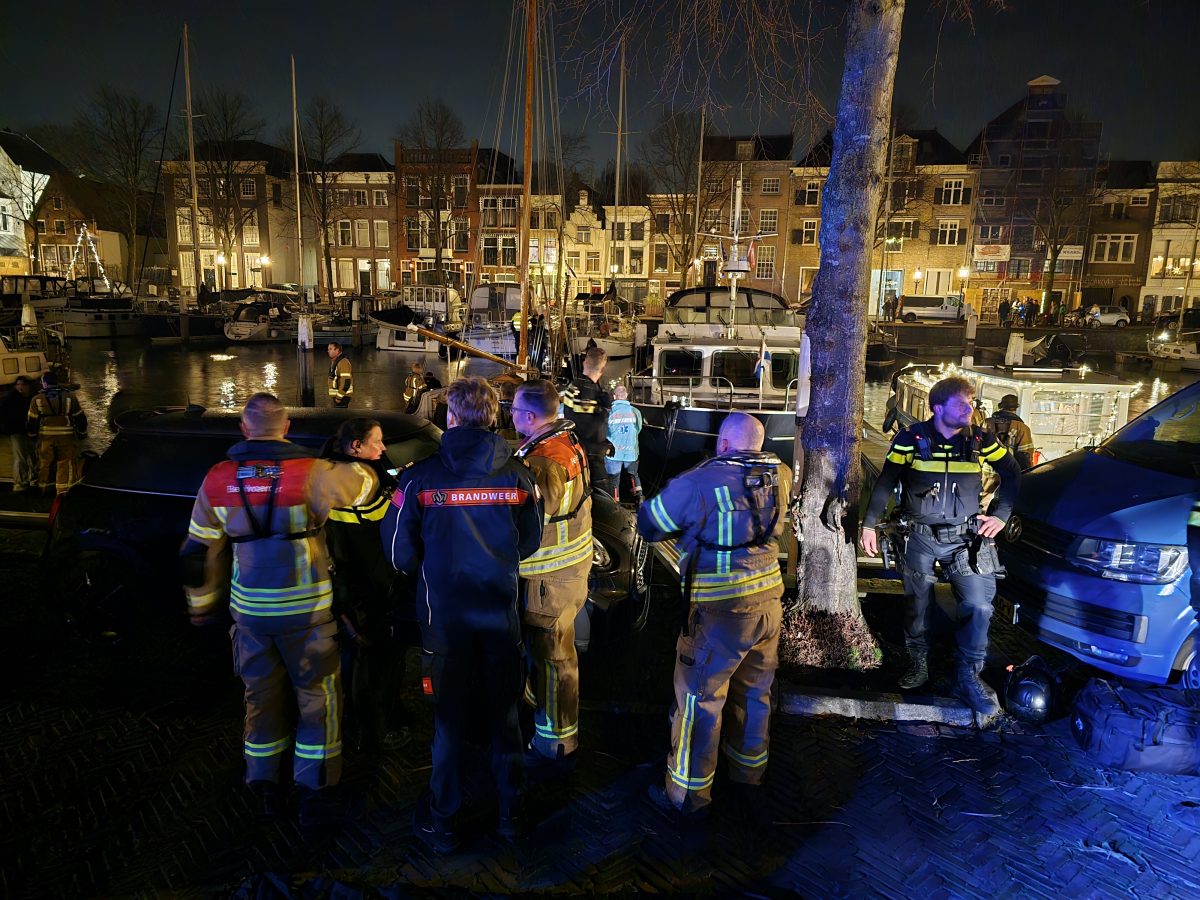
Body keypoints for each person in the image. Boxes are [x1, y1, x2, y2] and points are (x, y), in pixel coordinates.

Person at [179, 393, 378, 825]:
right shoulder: (312, 475)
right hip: (308, 617)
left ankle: (263, 783)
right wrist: (362, 466)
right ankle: (316, 787)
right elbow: (364, 488)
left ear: (245, 430)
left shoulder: (218, 479)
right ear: (285, 428)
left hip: (249, 616)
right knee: (318, 701)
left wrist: (201, 607)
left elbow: (197, 552)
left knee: (260, 699)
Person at [381, 377, 542, 853]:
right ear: (494, 417)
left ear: (450, 417)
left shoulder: (418, 478)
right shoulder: (518, 475)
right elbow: (529, 542)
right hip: (499, 617)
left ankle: (443, 823)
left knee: (448, 724)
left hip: (444, 623)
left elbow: (397, 553)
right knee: (505, 718)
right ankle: (511, 816)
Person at [637, 412, 790, 818]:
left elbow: (651, 523)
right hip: (769, 603)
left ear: (722, 444)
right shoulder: (781, 473)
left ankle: (687, 795)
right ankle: (747, 775)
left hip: (721, 611)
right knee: (755, 692)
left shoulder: (703, 481)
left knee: (699, 700)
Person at [860, 376, 1020, 718]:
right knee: (917, 603)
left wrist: (1001, 515)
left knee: (979, 605)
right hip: (919, 536)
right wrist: (869, 523)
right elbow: (887, 480)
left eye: (972, 403)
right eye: (963, 404)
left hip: (967, 540)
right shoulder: (911, 438)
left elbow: (1012, 472)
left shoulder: (980, 440)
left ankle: (968, 675)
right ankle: (918, 663)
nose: (971, 410)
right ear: (938, 408)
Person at [511, 379, 593, 769]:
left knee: (553, 659)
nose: (508, 416)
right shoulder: (566, 442)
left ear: (529, 417)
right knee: (551, 656)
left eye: (512, 410)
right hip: (567, 573)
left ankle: (557, 745)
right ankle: (543, 712)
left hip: (549, 579)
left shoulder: (545, 460)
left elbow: (535, 512)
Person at [322, 418, 411, 753]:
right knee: (378, 664)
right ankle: (377, 731)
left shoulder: (330, 470)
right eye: (377, 442)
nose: (383, 448)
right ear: (356, 446)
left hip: (348, 589)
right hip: (371, 590)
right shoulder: (359, 479)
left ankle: (360, 721)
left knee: (356, 659)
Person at [27, 370, 86, 496]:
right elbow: (80, 417)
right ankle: (63, 492)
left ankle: (43, 489)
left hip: (46, 438)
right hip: (66, 437)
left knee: (44, 463)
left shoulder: (37, 399)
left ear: (44, 383)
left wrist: (32, 436)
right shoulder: (70, 397)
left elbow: (32, 421)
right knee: (65, 463)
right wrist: (82, 433)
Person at [562, 346, 613, 494]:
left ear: (585, 363)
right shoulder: (593, 392)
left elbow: (574, 421)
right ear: (602, 369)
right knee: (604, 498)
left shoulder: (573, 387)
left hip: (574, 455)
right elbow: (588, 428)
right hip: (592, 459)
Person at [605, 385, 643, 504]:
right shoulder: (635, 411)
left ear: (614, 397)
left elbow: (604, 432)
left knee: (613, 480)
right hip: (631, 452)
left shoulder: (608, 412)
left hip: (613, 454)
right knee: (633, 476)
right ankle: (639, 500)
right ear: (626, 395)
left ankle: (615, 505)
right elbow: (638, 429)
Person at [1, 375, 38, 492]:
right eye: (18, 385)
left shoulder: (33, 398)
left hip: (31, 431)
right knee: (20, 458)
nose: (20, 387)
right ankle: (21, 484)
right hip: (16, 431)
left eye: (23, 385)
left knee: (34, 457)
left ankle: (34, 480)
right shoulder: (10, 399)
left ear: (28, 386)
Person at [986, 394, 1036, 470]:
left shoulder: (986, 422)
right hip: (1009, 471)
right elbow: (1025, 456)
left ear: (1001, 406)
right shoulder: (1023, 428)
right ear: (1015, 408)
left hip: (986, 470)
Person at [326, 342, 353, 408]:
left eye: (330, 349)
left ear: (337, 350)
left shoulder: (343, 363)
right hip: (339, 396)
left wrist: (338, 397)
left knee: (341, 416)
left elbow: (346, 382)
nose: (328, 351)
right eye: (328, 349)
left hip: (342, 397)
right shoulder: (335, 361)